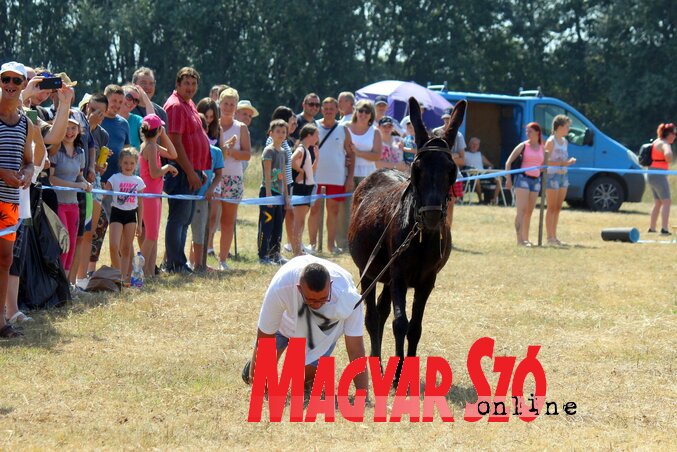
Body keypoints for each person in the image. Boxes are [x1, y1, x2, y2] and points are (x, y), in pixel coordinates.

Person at [243, 256, 368, 395]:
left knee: (304, 386)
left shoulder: (348, 297)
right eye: (311, 299)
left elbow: (355, 349)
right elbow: (265, 337)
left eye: (322, 299)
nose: (317, 304)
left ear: (330, 285)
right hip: (284, 326)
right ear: (299, 288)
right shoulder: (281, 286)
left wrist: (363, 395)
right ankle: (250, 367)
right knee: (260, 385)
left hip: (320, 334)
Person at [163, 67, 211, 273]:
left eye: (193, 83)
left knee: (186, 219)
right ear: (178, 84)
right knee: (179, 217)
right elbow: (175, 141)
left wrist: (198, 169)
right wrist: (190, 171)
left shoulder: (189, 104)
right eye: (186, 83)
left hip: (192, 170)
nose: (190, 88)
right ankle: (175, 264)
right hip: (181, 171)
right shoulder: (175, 106)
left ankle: (179, 262)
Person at [0, 61, 36, 338]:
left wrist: (25, 173)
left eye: (16, 81)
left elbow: (29, 161)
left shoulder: (25, 122)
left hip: (10, 202)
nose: (10, 85)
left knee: (4, 260)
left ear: (24, 85)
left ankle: (1, 322)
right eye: (5, 79)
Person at [307, 98, 355, 254]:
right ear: (322, 110)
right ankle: (312, 245)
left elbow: (351, 154)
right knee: (314, 210)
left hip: (337, 177)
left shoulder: (343, 129)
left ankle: (331, 245)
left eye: (331, 108)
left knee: (333, 211)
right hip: (315, 176)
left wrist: (349, 178)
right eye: (325, 108)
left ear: (337, 110)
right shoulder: (314, 127)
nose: (328, 111)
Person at [48, 114, 91, 273]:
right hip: (58, 204)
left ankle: (65, 284)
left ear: (79, 130)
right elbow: (51, 179)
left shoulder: (80, 152)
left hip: (73, 204)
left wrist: (86, 184)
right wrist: (76, 184)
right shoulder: (55, 151)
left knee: (72, 244)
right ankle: (58, 282)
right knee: (62, 244)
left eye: (73, 128)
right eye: (66, 127)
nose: (69, 132)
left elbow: (79, 176)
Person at [139, 114, 178, 277]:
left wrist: (163, 135)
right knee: (151, 236)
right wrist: (167, 167)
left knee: (153, 236)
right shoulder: (151, 147)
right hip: (150, 196)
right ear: (158, 130)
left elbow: (173, 153)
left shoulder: (149, 144)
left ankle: (149, 273)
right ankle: (137, 269)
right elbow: (155, 173)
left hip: (153, 195)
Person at [217, 88, 251, 271]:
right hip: (215, 177)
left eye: (232, 104)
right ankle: (202, 258)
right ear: (219, 104)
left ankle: (223, 259)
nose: (228, 107)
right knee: (210, 218)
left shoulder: (241, 127)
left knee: (228, 221)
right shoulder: (213, 125)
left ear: (236, 107)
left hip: (233, 177)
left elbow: (247, 154)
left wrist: (231, 152)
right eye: (226, 103)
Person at [189, 113, 226, 272]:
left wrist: (211, 189)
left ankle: (199, 264)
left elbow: (219, 174)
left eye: (201, 128)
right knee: (180, 230)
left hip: (203, 197)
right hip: (186, 195)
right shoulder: (188, 149)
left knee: (200, 231)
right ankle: (175, 262)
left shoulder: (216, 151)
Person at [104, 148, 145, 283]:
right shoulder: (115, 178)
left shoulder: (138, 181)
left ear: (136, 164)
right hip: (117, 213)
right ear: (120, 163)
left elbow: (140, 203)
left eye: (132, 163)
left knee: (126, 248)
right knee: (113, 246)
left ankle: (124, 278)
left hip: (131, 216)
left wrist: (139, 224)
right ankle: (117, 275)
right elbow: (104, 192)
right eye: (126, 163)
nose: (129, 166)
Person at [505, 122, 545, 246]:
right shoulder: (523, 146)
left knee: (529, 211)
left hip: (536, 180)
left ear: (537, 132)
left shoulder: (542, 147)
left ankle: (526, 238)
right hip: (523, 179)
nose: (527, 134)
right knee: (521, 211)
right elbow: (508, 162)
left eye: (530, 131)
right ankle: (519, 240)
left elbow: (541, 165)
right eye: (526, 131)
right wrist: (509, 179)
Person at [258, 119, 291, 264]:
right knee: (267, 224)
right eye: (278, 131)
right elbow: (267, 174)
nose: (281, 134)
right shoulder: (269, 151)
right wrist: (269, 196)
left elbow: (283, 175)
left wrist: (286, 196)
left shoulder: (284, 152)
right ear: (271, 133)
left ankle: (275, 253)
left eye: (283, 132)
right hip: (268, 192)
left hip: (279, 194)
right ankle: (263, 254)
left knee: (278, 225)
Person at [269, 106, 296, 260]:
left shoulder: (285, 142)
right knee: (273, 222)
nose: (293, 126)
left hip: (285, 185)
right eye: (291, 122)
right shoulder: (271, 141)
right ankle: (270, 252)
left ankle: (275, 252)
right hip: (277, 187)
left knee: (279, 221)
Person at [544, 116, 577, 245]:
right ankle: (549, 237)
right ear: (560, 127)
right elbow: (546, 161)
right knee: (551, 207)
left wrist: (567, 163)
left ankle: (554, 236)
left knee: (557, 207)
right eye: (567, 126)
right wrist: (564, 162)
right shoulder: (551, 141)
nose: (568, 129)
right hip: (552, 175)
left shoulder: (565, 141)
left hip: (563, 175)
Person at [290, 124, 319, 256]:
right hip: (301, 188)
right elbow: (291, 160)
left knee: (300, 220)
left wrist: (317, 158)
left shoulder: (307, 150)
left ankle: (298, 248)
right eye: (316, 135)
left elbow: (311, 172)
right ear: (309, 135)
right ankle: (296, 250)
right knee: (299, 221)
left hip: (307, 187)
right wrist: (300, 171)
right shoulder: (301, 149)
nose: (317, 138)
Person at [647, 123, 675, 235]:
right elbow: (668, 155)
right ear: (668, 134)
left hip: (651, 173)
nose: (675, 136)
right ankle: (664, 229)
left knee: (658, 202)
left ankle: (652, 228)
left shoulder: (656, 141)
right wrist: (669, 157)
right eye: (674, 133)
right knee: (667, 201)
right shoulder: (665, 144)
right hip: (659, 175)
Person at [348, 99, 382, 187]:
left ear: (371, 115)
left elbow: (377, 156)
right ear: (356, 112)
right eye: (361, 110)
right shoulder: (345, 127)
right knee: (346, 201)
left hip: (367, 174)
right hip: (346, 172)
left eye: (367, 112)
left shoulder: (375, 132)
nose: (363, 114)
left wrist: (358, 152)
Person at [464, 137, 502, 204]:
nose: (474, 146)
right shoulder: (464, 154)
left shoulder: (480, 156)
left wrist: (490, 167)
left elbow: (491, 165)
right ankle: (481, 200)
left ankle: (494, 199)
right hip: (472, 175)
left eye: (476, 144)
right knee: (477, 179)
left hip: (483, 174)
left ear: (478, 146)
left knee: (499, 179)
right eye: (473, 144)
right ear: (469, 144)